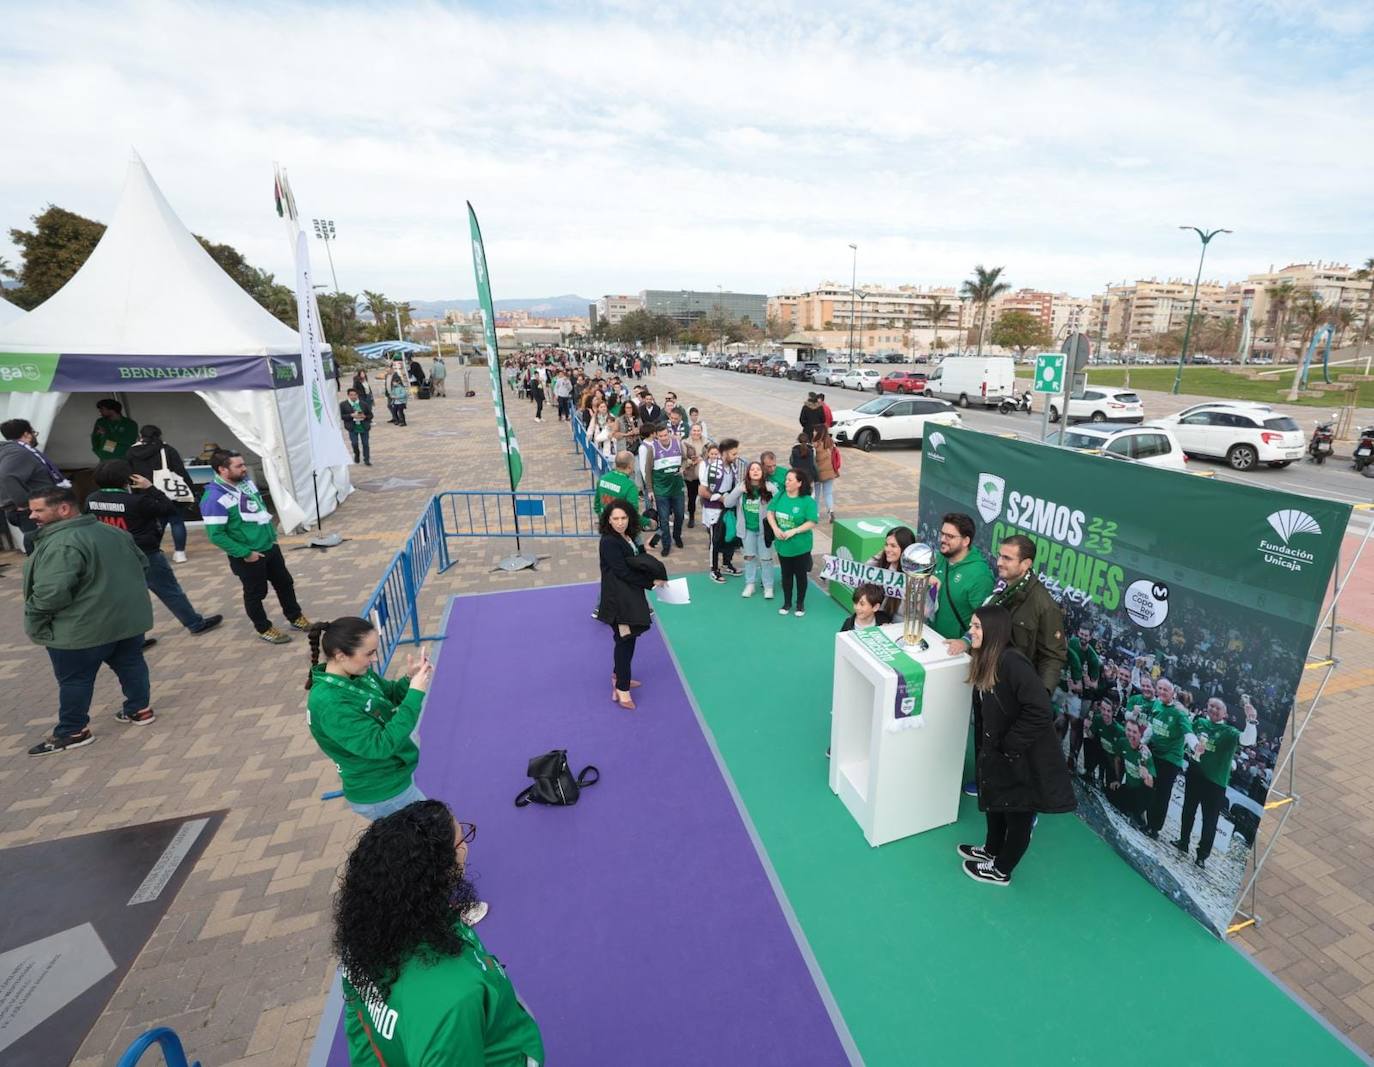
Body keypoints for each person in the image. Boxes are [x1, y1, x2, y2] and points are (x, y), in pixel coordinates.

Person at [335, 801, 538, 1065]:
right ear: (433, 872)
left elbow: (359, 1024)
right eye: (460, 840)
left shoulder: (366, 939)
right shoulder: (456, 999)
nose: (465, 847)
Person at [23, 485, 156, 753]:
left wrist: (34, 620)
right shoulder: (114, 532)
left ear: (63, 508)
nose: (31, 516)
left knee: (75, 681)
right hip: (126, 622)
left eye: (38, 510)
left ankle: (73, 732)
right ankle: (139, 709)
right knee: (131, 664)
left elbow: (51, 593)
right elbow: (142, 565)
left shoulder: (61, 544)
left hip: (81, 631)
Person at [958, 605, 1075, 886]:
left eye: (976, 627)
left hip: (1024, 756)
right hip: (1002, 752)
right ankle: (991, 850)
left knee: (1018, 813)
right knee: (998, 802)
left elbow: (1039, 710)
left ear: (993, 632)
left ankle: (1001, 870)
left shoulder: (1012, 662)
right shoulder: (987, 660)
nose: (970, 632)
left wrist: (1010, 745)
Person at [306, 616, 434, 819]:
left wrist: (409, 680)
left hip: (392, 777)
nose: (374, 659)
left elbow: (388, 695)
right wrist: (415, 695)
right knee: (430, 838)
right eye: (369, 653)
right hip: (383, 792)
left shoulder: (356, 673)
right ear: (340, 655)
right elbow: (381, 745)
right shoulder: (330, 703)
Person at [84, 460, 223, 637]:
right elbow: (168, 508)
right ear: (126, 479)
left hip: (111, 554)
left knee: (128, 596)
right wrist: (150, 487)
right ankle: (195, 623)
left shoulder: (92, 499)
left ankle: (136, 639)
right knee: (170, 590)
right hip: (144, 553)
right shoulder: (137, 501)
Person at [200, 450, 311, 644]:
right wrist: (245, 553)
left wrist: (272, 537)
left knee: (285, 584)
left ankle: (295, 617)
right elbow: (216, 535)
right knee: (255, 594)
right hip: (248, 555)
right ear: (222, 469)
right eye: (239, 466)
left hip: (269, 547)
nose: (244, 468)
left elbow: (259, 511)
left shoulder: (246, 484)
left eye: (243, 464)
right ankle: (264, 628)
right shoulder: (213, 498)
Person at [945, 535, 1067, 693]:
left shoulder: (1044, 605)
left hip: (1013, 690)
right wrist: (966, 641)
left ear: (1026, 564)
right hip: (986, 679)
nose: (999, 562)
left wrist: (1040, 697)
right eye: (1000, 556)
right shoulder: (1002, 586)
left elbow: (1053, 657)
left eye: (1007, 558)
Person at [598, 499, 667, 710]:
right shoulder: (609, 542)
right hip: (618, 601)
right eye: (615, 519)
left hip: (628, 596)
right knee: (624, 641)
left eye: (623, 518)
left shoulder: (626, 536)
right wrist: (650, 583)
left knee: (629, 639)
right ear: (608, 520)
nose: (620, 522)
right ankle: (622, 688)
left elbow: (637, 559)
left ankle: (619, 676)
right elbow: (623, 572)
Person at [1176, 695, 1259, 869]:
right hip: (1194, 774)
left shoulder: (1229, 732)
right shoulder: (1198, 723)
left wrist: (1251, 722)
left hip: (1215, 783)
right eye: (1211, 706)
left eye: (1218, 708)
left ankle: (1201, 856)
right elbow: (1187, 736)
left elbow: (1248, 740)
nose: (1213, 710)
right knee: (1188, 810)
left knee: (1210, 821)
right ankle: (1183, 842)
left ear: (1225, 714)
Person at [126, 425, 196, 562]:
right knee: (176, 521)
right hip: (170, 492)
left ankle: (153, 550)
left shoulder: (131, 452)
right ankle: (179, 553)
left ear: (141, 435)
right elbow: (181, 472)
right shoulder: (168, 449)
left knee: (153, 523)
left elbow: (130, 473)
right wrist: (191, 489)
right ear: (159, 435)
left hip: (144, 493)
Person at [0, 418, 69, 555]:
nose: (34, 437)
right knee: (43, 548)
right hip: (32, 511)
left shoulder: (11, 451)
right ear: (26, 434)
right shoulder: (19, 452)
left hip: (30, 509)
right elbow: (8, 477)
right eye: (34, 433)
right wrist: (25, 502)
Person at [1142, 677, 1199, 840]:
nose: (1161, 692)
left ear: (1172, 692)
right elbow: (1152, 727)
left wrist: (1195, 746)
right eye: (1159, 688)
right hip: (1155, 754)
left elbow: (1188, 732)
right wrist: (1142, 742)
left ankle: (1154, 828)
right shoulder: (1156, 705)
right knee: (1150, 788)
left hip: (1170, 759)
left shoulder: (1180, 712)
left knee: (1162, 794)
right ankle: (1145, 820)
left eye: (1165, 689)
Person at [928, 513, 995, 640]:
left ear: (966, 541)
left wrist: (965, 642)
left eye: (950, 536)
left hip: (955, 651)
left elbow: (986, 623)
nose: (942, 539)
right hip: (931, 637)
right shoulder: (940, 557)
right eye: (942, 534)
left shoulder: (980, 575)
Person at [767, 468, 819, 617]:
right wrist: (775, 529)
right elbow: (770, 512)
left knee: (801, 575)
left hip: (801, 546)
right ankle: (787, 602)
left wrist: (794, 531)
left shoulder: (807, 501)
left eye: (790, 480)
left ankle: (800, 604)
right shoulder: (780, 495)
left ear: (799, 483)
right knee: (786, 575)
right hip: (783, 546)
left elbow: (812, 522)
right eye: (786, 479)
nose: (786, 482)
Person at [701, 437, 744, 583]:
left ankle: (727, 563)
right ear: (724, 453)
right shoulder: (712, 469)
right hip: (714, 509)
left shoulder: (733, 467)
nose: (736, 456)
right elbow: (702, 491)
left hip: (728, 508)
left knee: (730, 536)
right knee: (716, 540)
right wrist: (720, 498)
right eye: (733, 454)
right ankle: (714, 569)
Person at [644, 423, 686, 557]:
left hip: (677, 488)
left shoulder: (678, 444)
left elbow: (685, 460)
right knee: (663, 519)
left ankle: (677, 535)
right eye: (660, 436)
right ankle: (666, 544)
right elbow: (647, 470)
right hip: (661, 490)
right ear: (656, 436)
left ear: (669, 433)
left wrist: (683, 468)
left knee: (679, 515)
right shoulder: (653, 448)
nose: (663, 438)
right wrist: (650, 490)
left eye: (665, 435)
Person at [737, 460, 775, 600]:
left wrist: (773, 491)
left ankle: (768, 586)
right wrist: (738, 490)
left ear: (762, 472)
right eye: (752, 469)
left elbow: (780, 503)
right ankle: (750, 584)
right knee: (749, 557)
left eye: (758, 469)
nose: (755, 471)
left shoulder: (769, 487)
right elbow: (728, 502)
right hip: (747, 530)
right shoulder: (742, 487)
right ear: (748, 472)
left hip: (764, 531)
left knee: (766, 559)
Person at [1109, 718, 1155, 830]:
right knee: (1110, 792)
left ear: (1140, 735)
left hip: (1140, 793)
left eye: (1134, 732)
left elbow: (1151, 783)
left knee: (1138, 803)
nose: (1131, 734)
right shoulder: (1123, 742)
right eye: (1129, 730)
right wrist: (1117, 779)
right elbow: (1117, 759)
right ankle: (1130, 810)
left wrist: (1146, 776)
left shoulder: (1145, 753)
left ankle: (1140, 814)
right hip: (1128, 788)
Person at [869, 525, 916, 620]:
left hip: (901, 628)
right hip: (878, 621)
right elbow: (861, 581)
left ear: (906, 549)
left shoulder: (916, 575)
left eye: (893, 546)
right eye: (886, 544)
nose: (887, 549)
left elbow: (926, 611)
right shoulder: (879, 564)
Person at [594, 451, 640, 516]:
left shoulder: (602, 479)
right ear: (630, 466)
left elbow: (597, 505)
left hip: (605, 522)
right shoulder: (630, 486)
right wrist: (648, 522)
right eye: (634, 464)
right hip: (621, 524)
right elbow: (633, 513)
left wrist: (604, 519)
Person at [340, 388, 374, 466]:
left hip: (363, 426)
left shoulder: (363, 404)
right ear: (348, 395)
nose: (353, 397)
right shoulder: (343, 404)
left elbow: (370, 415)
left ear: (357, 395)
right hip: (352, 427)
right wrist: (351, 415)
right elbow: (342, 416)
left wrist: (365, 416)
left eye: (355, 395)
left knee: (365, 444)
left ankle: (367, 459)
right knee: (354, 443)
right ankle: (357, 454)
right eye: (351, 395)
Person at [813, 428, 841, 523]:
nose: (814, 432)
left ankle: (815, 514)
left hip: (818, 474)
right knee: (828, 493)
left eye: (815, 431)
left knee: (816, 494)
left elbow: (813, 459)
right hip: (830, 472)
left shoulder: (816, 444)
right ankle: (831, 511)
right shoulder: (831, 442)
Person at [683, 425, 706, 528]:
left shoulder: (706, 443)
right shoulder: (685, 443)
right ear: (690, 431)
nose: (696, 433)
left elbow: (711, 456)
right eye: (694, 430)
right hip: (691, 475)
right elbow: (682, 459)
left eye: (698, 430)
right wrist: (692, 461)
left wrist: (702, 459)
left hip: (703, 476)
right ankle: (691, 516)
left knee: (705, 497)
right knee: (691, 497)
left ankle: (706, 519)